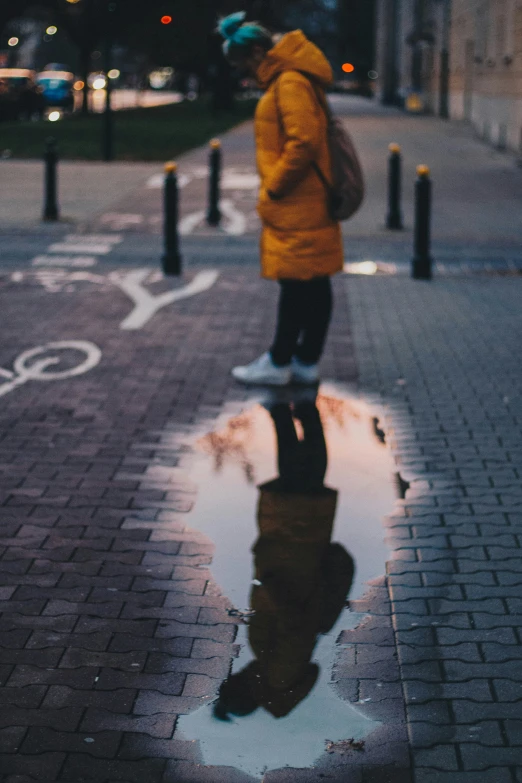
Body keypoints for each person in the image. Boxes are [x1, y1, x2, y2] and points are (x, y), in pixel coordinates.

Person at [218, 12, 344, 387]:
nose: (246, 71)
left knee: (296, 285)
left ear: (258, 51)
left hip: (297, 200)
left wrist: (275, 185)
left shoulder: (289, 82)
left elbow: (303, 141)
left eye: (245, 62)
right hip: (307, 199)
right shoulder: (292, 78)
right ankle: (305, 361)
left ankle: (279, 361)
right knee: (314, 284)